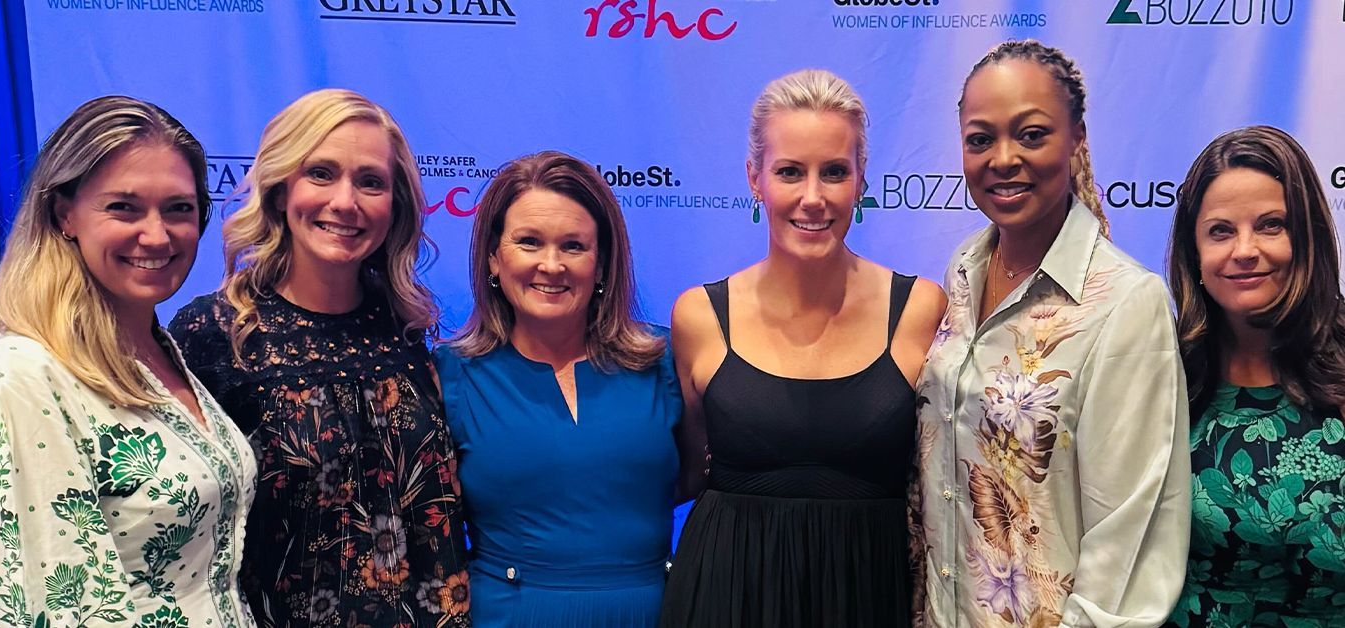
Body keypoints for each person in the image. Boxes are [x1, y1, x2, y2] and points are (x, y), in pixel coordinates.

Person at [0, 96, 257, 627]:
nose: (156, 235)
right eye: (124, 207)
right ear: (65, 213)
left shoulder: (157, 351)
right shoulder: (21, 377)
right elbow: (50, 609)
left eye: (178, 208)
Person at [911, 39, 1191, 626]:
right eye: (980, 138)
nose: (1003, 158)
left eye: (1032, 134)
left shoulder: (1125, 302)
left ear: (1077, 140)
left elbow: (1129, 542)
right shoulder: (963, 271)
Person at [169, 89, 468, 627]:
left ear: (394, 205)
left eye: (370, 181)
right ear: (281, 191)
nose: (346, 201)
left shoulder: (408, 332)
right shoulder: (214, 334)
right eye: (322, 173)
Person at [658, 69, 947, 627]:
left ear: (861, 180)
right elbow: (686, 471)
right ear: (754, 178)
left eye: (834, 172)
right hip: (725, 593)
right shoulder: (698, 315)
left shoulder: (920, 309)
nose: (812, 198)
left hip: (869, 593)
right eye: (789, 171)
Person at [433, 150, 683, 627]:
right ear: (493, 256)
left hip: (652, 612)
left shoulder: (664, 361)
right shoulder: (447, 376)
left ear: (603, 262)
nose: (551, 264)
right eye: (528, 242)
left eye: (573, 246)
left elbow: (706, 478)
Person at [1164, 125, 1345, 625]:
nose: (1244, 249)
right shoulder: (1161, 373)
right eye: (1220, 231)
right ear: (1194, 253)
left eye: (1270, 225)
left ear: (1307, 238)